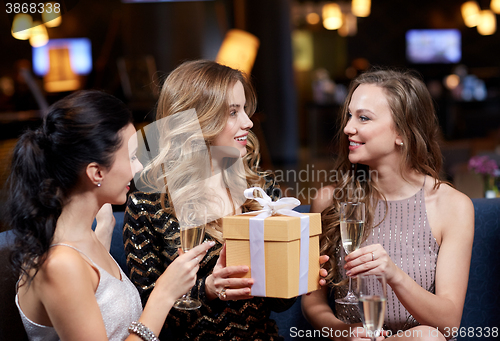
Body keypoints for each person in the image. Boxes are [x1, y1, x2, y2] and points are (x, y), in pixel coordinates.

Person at [123, 60, 328, 340]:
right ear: (195, 120)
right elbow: (147, 315)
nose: (248, 121)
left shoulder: (260, 190)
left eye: (244, 109)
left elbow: (279, 304)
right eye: (233, 112)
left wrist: (299, 272)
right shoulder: (148, 205)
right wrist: (206, 289)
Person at [9, 90, 214, 341]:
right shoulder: (60, 264)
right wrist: (163, 293)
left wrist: (104, 223)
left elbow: (97, 292)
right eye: (131, 157)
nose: (139, 168)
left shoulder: (85, 238)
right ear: (96, 173)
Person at [301, 69, 474, 341]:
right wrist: (343, 333)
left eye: (364, 118)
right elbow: (313, 302)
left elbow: (449, 323)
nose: (348, 128)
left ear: (402, 133)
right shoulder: (329, 200)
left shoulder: (452, 206)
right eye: (349, 116)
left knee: (427, 338)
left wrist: (393, 274)